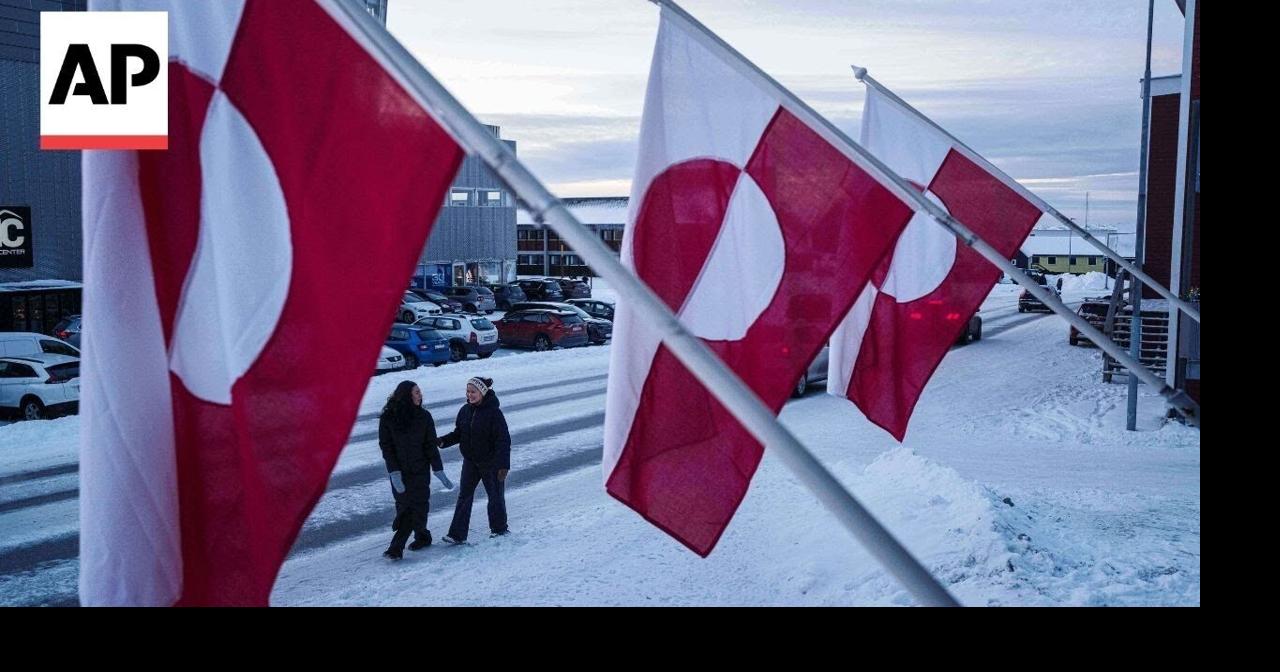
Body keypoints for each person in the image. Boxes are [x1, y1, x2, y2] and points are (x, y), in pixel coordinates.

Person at [379, 380, 454, 560]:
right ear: (406, 395)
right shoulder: (388, 418)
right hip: (399, 472)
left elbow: (430, 446)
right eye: (417, 392)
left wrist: (438, 470)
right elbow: (386, 446)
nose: (421, 395)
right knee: (404, 507)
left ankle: (396, 547)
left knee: (417, 507)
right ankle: (423, 536)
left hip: (420, 471)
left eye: (420, 392)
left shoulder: (424, 417)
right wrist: (394, 472)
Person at [440, 377, 511, 544]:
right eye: (468, 391)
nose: (469, 395)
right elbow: (459, 433)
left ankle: (499, 529)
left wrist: (503, 466)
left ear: (482, 392)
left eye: (473, 392)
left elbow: (503, 440)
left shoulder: (494, 413)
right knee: (464, 496)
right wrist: (443, 441)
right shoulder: (465, 410)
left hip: (491, 463)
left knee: (495, 496)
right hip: (470, 462)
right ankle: (457, 534)